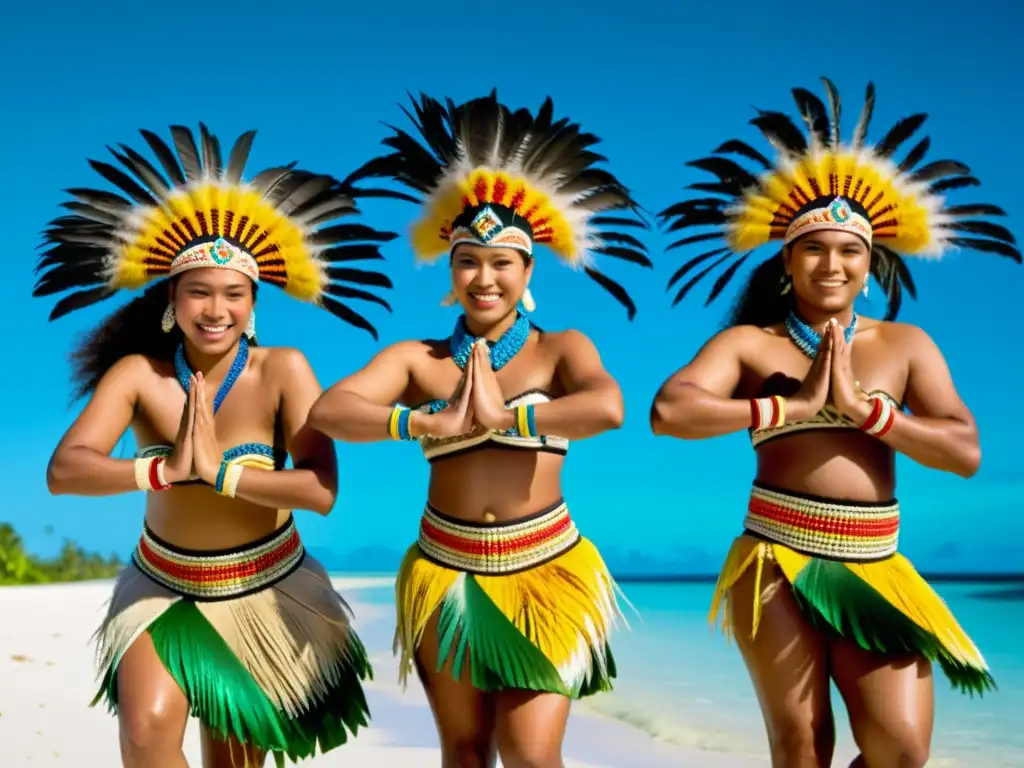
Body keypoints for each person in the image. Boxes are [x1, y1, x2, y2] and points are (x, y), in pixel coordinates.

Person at [650, 78, 1018, 768]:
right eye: (814, 248)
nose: (833, 263)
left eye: (849, 250)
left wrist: (866, 414)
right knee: (802, 745)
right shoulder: (751, 345)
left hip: (876, 561)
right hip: (775, 559)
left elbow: (964, 451)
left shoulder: (906, 346)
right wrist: (784, 409)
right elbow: (670, 412)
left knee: (901, 750)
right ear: (787, 262)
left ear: (870, 264)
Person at [35, 122, 398, 768]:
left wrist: (225, 477)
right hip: (161, 585)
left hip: (265, 588)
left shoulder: (283, 369)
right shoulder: (139, 376)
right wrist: (163, 469)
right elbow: (65, 470)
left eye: (233, 294)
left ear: (254, 303)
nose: (215, 308)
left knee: (233, 762)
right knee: (145, 736)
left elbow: (320, 489)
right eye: (198, 291)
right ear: (172, 299)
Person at [307, 91, 652, 767]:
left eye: (502, 263)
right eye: (469, 261)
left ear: (528, 273)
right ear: (450, 270)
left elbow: (608, 407)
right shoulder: (420, 360)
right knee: (464, 753)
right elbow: (331, 411)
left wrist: (508, 416)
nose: (484, 277)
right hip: (447, 570)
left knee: (529, 753)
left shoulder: (560, 351)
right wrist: (423, 420)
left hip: (547, 567)